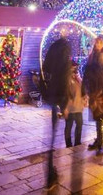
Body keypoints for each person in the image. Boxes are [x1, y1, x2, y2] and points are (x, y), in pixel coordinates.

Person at [40, 38, 72, 189]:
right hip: (58, 98)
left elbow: (43, 71)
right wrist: (64, 105)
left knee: (51, 138)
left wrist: (45, 92)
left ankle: (50, 174)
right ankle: (51, 177)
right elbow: (64, 81)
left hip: (50, 96)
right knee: (53, 139)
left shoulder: (51, 51)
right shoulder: (65, 54)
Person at [83, 35, 103, 156]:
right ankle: (99, 140)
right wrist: (85, 91)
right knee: (97, 118)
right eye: (97, 42)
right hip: (94, 92)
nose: (98, 44)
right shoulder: (92, 56)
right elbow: (87, 72)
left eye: (101, 42)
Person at [64, 61, 84, 148]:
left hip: (78, 107)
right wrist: (65, 108)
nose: (75, 70)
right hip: (70, 107)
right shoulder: (66, 79)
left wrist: (79, 79)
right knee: (69, 126)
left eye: (76, 68)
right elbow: (65, 94)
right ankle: (68, 144)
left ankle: (77, 142)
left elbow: (83, 89)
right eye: (73, 68)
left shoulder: (78, 78)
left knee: (79, 124)